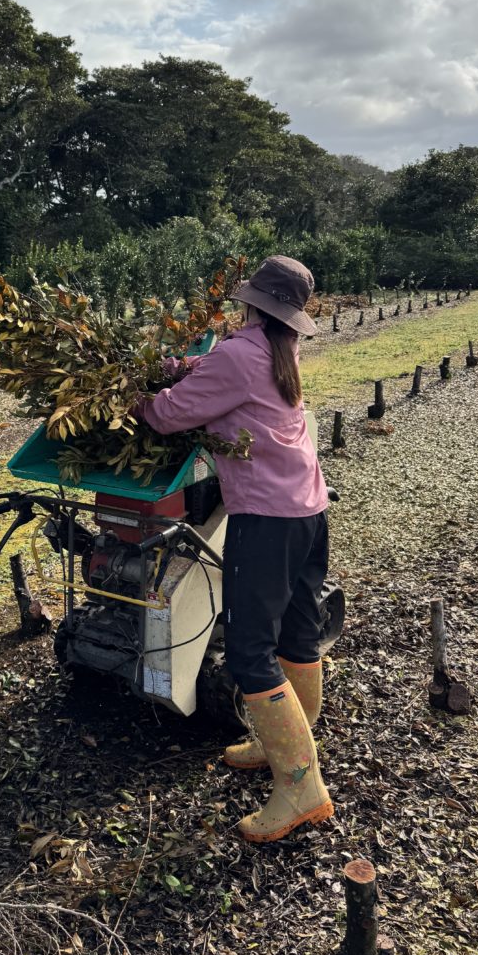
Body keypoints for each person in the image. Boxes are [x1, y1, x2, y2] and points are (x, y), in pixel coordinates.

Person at [141, 256, 333, 843]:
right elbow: (216, 367)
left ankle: (301, 788)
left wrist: (137, 404)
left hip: (265, 518)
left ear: (253, 303)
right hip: (308, 510)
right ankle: (288, 747)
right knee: (298, 632)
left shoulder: (241, 354)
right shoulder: (277, 349)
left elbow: (171, 415)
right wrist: (183, 364)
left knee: (251, 650)